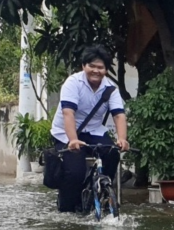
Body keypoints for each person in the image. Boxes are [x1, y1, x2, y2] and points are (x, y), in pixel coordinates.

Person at [50, 46, 129, 213]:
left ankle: (104, 190)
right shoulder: (73, 83)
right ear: (83, 66)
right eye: (92, 66)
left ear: (106, 70)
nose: (96, 70)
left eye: (100, 67)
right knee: (75, 172)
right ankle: (67, 208)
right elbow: (68, 113)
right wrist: (72, 140)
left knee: (112, 152)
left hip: (94, 131)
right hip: (66, 132)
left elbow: (119, 115)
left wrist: (122, 138)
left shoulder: (110, 89)